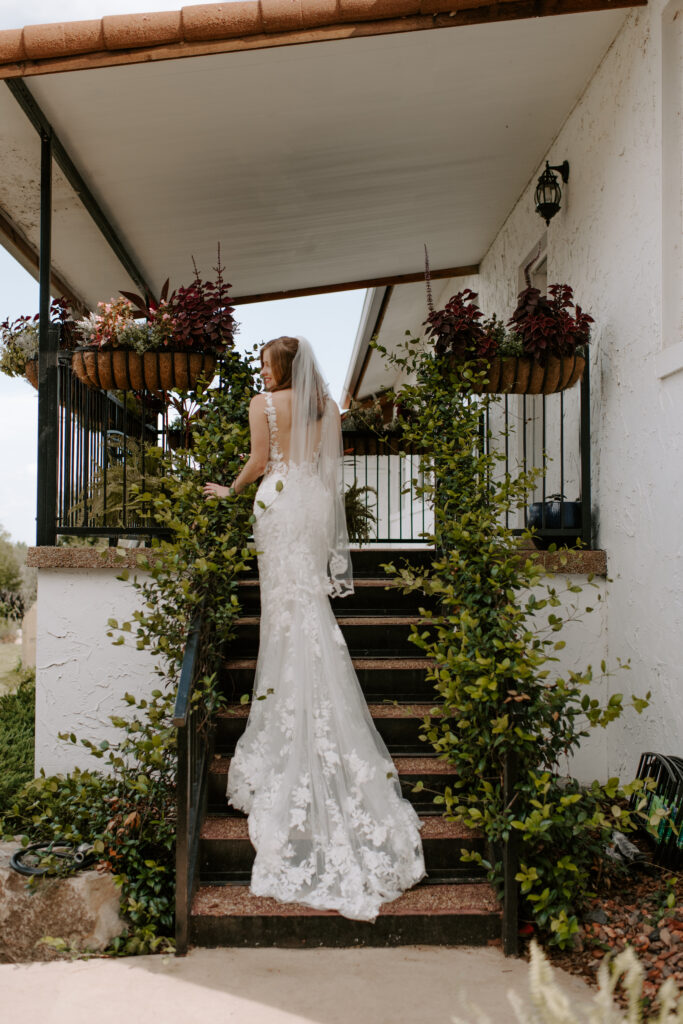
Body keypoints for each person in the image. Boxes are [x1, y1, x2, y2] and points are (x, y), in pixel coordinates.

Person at [202, 336, 425, 921]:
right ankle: (313, 707)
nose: (261, 370)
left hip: (276, 502)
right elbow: (330, 475)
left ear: (278, 367)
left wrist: (231, 490)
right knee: (309, 611)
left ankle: (285, 717)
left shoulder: (261, 404)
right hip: (310, 508)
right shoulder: (327, 409)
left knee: (284, 614)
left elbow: (257, 461)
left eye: (264, 362)